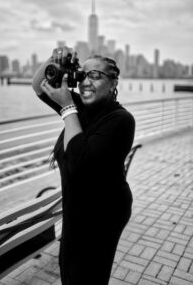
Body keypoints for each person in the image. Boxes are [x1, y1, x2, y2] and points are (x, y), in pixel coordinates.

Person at [32, 46, 135, 285]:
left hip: (104, 213)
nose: (86, 82)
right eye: (83, 75)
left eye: (95, 76)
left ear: (113, 83)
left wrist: (67, 107)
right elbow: (38, 86)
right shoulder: (79, 107)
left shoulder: (121, 120)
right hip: (76, 206)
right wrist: (54, 59)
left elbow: (78, 164)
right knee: (69, 269)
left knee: (88, 275)